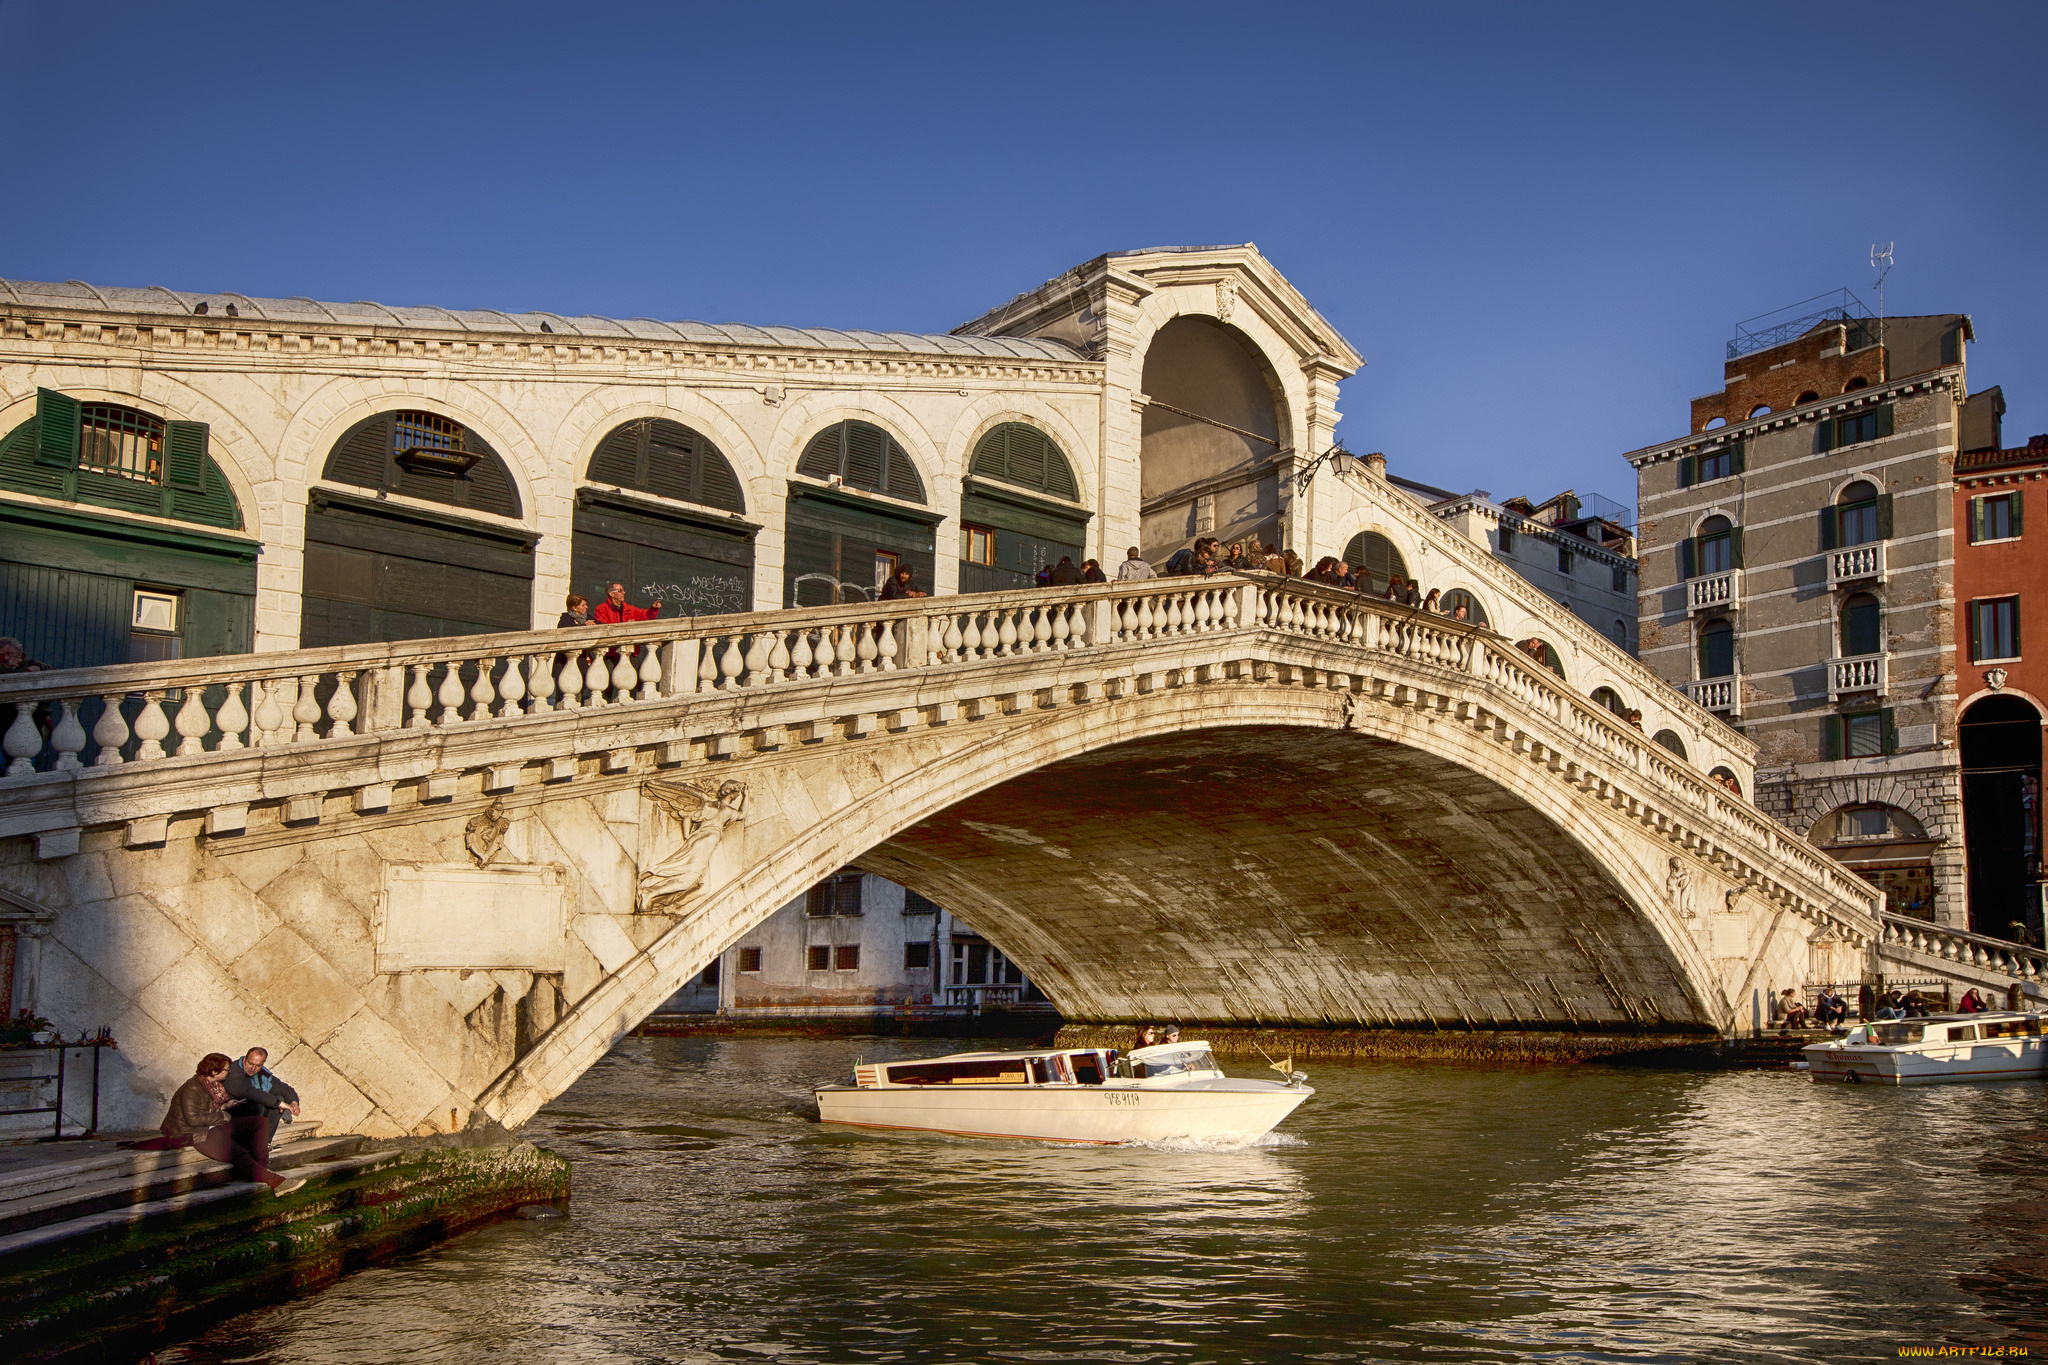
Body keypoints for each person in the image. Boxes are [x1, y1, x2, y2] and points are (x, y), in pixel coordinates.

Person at [129, 1054, 304, 1195]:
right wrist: (222, 1116)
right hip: (192, 1132)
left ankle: (260, 1169)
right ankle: (276, 1182)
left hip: (210, 1125)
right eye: (226, 1070)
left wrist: (226, 1106)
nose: (229, 1072)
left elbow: (211, 1108)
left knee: (259, 1122)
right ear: (214, 1071)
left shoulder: (214, 1086)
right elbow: (193, 1119)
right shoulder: (192, 1088)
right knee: (235, 1151)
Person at [223, 1047, 301, 1176]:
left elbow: (284, 1088)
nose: (253, 1068)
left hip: (251, 1112)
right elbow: (250, 1093)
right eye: (250, 1063)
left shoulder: (262, 1074)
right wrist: (279, 1103)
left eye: (258, 1065)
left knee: (278, 1099)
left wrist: (293, 1102)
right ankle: (251, 1146)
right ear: (244, 1059)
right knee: (261, 1103)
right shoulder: (233, 1071)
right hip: (232, 1112)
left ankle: (264, 1144)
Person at [593, 581, 661, 625]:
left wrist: (654, 609)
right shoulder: (601, 609)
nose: (624, 593)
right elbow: (604, 628)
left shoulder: (630, 609)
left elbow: (646, 616)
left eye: (623, 590)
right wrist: (626, 626)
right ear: (611, 594)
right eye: (620, 591)